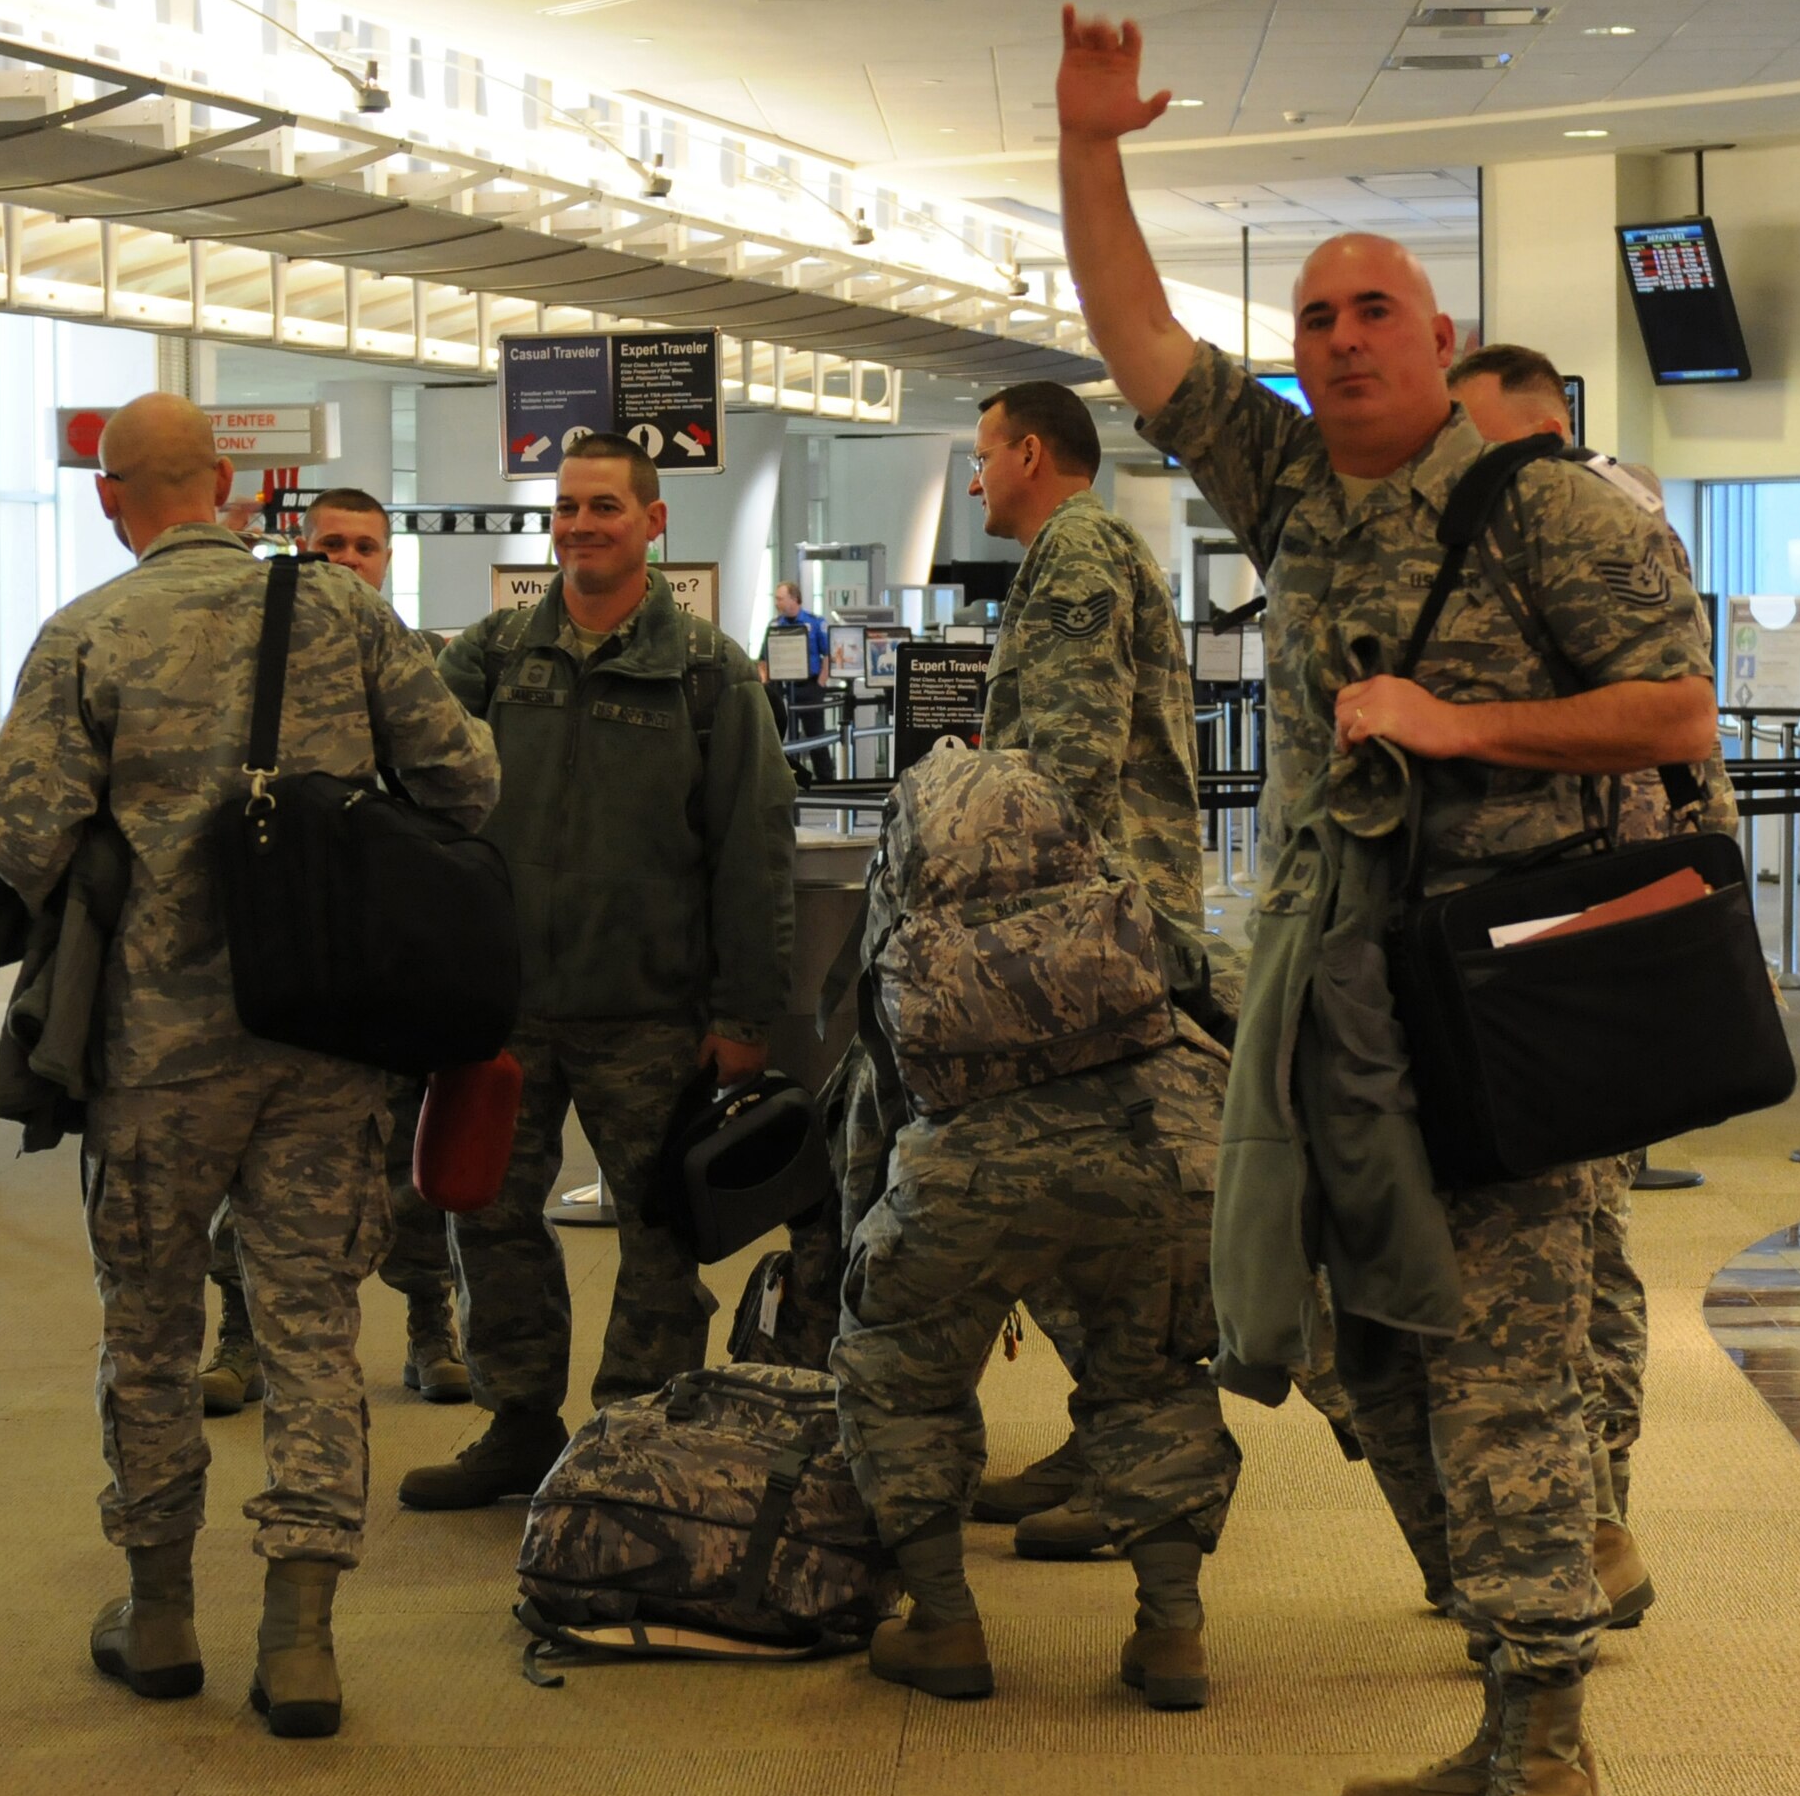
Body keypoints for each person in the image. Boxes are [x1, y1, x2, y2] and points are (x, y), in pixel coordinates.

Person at [1056, 6, 1716, 1796]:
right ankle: (1507, 1706)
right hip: (1336, 1002)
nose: (1340, 334)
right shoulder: (1290, 492)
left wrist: (1462, 728)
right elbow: (1135, 342)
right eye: (1318, 317)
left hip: (1500, 1012)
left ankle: (1555, 1766)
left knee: (1499, 1369)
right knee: (1364, 1354)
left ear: (1440, 345)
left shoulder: (1556, 511)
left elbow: (1676, 712)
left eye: (1375, 310)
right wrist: (1094, 149)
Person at [0, 393, 498, 1736]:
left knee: (147, 1330)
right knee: (313, 1322)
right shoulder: (340, 612)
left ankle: (156, 1618)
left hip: (153, 1054)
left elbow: (12, 853)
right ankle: (302, 1637)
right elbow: (467, 782)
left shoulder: (85, 633)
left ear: (109, 501)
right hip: (325, 1037)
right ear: (232, 484)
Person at [397, 433, 796, 1510]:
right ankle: (519, 1418)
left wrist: (744, 1012)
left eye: (604, 507)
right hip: (505, 1009)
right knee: (486, 1216)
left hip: (651, 1012)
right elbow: (418, 801)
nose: (580, 526)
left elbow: (753, 852)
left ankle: (631, 1432)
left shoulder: (709, 674)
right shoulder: (486, 660)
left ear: (653, 523)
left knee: (657, 1233)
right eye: (567, 507)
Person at [831, 746, 1240, 1710]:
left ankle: (943, 1622)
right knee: (1148, 1376)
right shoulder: (1116, 902)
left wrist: (859, 1262)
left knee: (900, 1377)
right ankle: (1171, 1635)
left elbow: (872, 1108)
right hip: (1163, 1152)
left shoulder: (908, 930)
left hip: (968, 1177)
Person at [1441, 344, 1740, 1627]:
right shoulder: (1561, 515)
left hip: (1605, 914)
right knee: (1569, 1213)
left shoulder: (1584, 519)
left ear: (1517, 416)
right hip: (1571, 906)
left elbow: (1670, 722)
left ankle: (1593, 1515)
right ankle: (1578, 1515)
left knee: (1582, 1226)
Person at [958, 378, 1211, 1543]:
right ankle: (1114, 1435)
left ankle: (1148, 1466)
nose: (974, 478)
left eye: (983, 453)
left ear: (1028, 452)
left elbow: (1067, 767)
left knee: (1118, 1208)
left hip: (1088, 940)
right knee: (1081, 1207)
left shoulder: (1073, 552)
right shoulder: (1077, 550)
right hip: (1092, 930)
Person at [199, 485, 470, 1416]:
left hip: (387, 948)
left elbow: (461, 790)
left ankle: (433, 1324)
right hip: (278, 946)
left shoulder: (426, 663)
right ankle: (238, 1332)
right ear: (301, 551)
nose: (352, 559)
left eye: (367, 546)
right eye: (334, 545)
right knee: (254, 1148)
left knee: (405, 1151)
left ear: (388, 558)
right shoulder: (248, 660)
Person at [758, 579, 836, 781]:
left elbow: (828, 654)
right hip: (782, 688)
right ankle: (790, 781)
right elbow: (763, 659)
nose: (777, 602)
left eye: (780, 598)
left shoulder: (815, 622)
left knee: (816, 736)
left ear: (794, 599)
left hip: (809, 687)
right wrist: (766, 684)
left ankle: (826, 781)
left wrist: (821, 682)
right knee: (784, 738)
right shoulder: (775, 625)